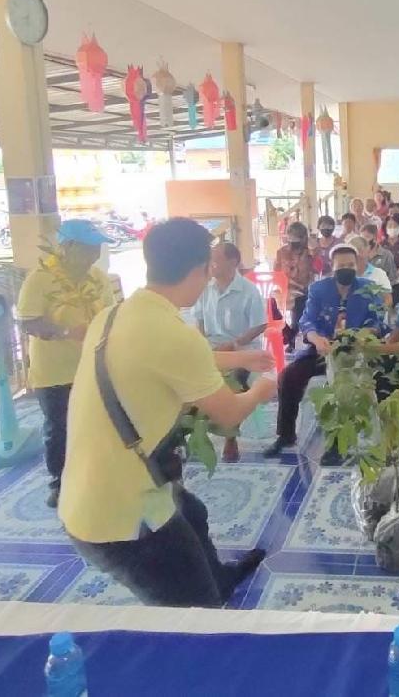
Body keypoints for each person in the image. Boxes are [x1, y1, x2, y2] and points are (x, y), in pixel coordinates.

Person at [59, 218, 277, 608]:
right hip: (123, 518)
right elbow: (228, 414)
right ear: (201, 270)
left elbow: (169, 358)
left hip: (85, 490)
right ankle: (207, 604)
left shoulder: (113, 316)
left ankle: (220, 577)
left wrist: (241, 358)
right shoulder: (174, 334)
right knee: (194, 614)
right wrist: (262, 389)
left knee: (192, 512)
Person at [16, 219, 116, 508]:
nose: (95, 255)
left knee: (97, 424)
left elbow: (110, 315)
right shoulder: (40, 279)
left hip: (93, 367)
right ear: (67, 247)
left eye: (97, 248)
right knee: (60, 428)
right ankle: (60, 483)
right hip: (55, 373)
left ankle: (95, 478)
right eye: (89, 248)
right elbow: (27, 321)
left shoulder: (98, 278)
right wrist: (65, 332)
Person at [265, 245, 384, 461]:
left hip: (356, 351)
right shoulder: (319, 289)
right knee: (289, 376)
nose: (346, 269)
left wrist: (364, 335)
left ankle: (337, 443)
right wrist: (315, 338)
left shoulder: (368, 289)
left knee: (343, 386)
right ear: (332, 267)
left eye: (350, 265)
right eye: (341, 265)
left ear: (357, 266)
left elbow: (377, 321)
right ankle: (286, 435)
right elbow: (306, 320)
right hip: (323, 348)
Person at [191, 242, 269, 463]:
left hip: (242, 349)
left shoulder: (248, 290)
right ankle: (192, 433)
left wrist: (234, 344)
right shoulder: (206, 288)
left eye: (216, 259)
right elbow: (199, 320)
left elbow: (259, 325)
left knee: (231, 382)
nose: (211, 264)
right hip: (212, 347)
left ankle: (230, 437)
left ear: (232, 262)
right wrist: (203, 344)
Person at [274, 221, 315, 352]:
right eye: (291, 237)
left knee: (301, 300)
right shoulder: (281, 252)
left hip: (304, 289)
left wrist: (314, 251)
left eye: (297, 237)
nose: (294, 240)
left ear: (304, 238)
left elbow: (319, 269)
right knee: (270, 304)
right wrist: (283, 284)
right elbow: (276, 272)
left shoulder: (310, 253)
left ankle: (293, 335)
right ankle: (289, 332)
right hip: (285, 288)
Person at [350, 235, 394, 308]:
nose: (358, 256)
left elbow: (388, 300)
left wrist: (378, 312)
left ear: (367, 251)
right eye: (354, 253)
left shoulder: (379, 274)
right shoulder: (346, 275)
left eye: (361, 251)